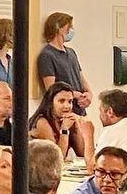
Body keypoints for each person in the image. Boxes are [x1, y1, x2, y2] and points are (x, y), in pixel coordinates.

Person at [37, 13, 95, 168]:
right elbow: (51, 88)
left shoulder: (72, 53)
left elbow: (81, 78)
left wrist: (88, 94)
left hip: (78, 111)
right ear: (59, 28)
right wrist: (73, 96)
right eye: (69, 27)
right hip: (63, 114)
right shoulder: (47, 55)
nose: (71, 30)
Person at [30, 83, 94, 171]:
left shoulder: (66, 120)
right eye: (61, 101)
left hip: (56, 170)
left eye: (70, 101)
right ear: (51, 102)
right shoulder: (42, 122)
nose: (67, 106)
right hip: (38, 171)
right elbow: (57, 158)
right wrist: (64, 130)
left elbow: (81, 153)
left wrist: (77, 127)